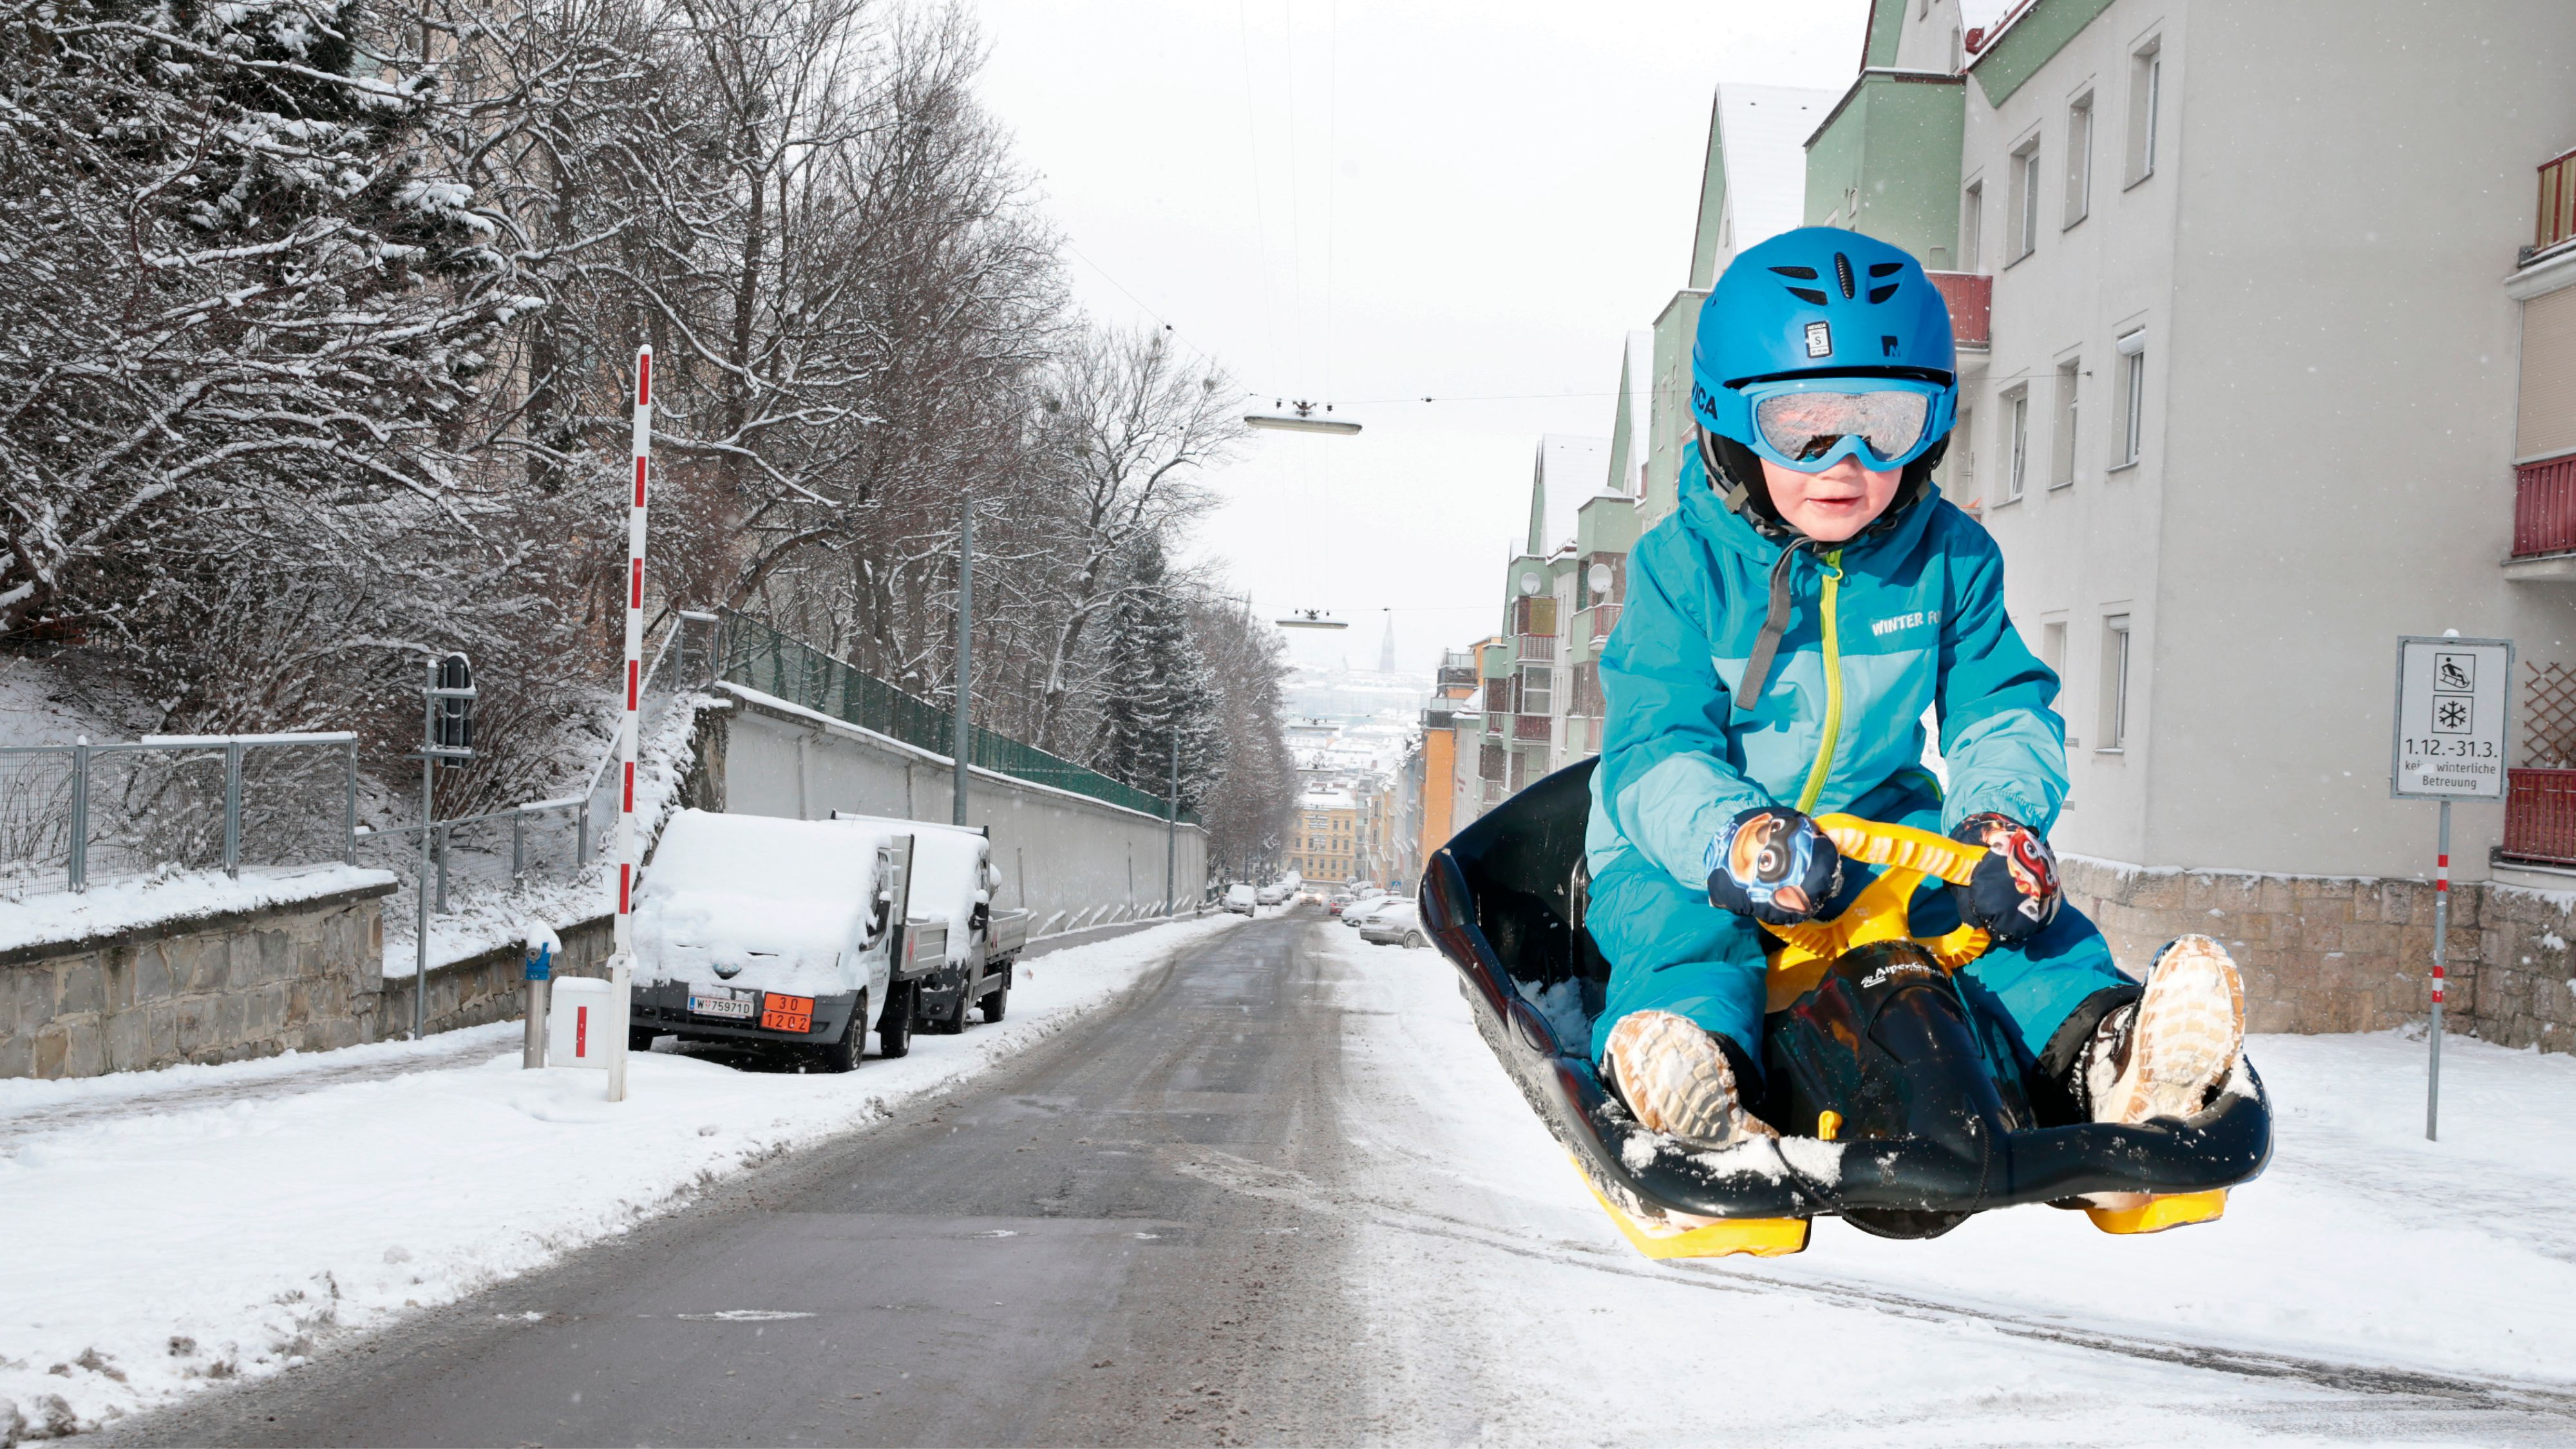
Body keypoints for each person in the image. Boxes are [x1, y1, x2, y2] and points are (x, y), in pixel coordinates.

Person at [1585, 227, 2244, 1153]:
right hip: (1686, 850)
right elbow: (1655, 747)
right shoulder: (1682, 566)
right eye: (1803, 425)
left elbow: (2000, 707)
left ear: (1929, 429)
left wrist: (2000, 824)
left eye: (1884, 423)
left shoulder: (1947, 556)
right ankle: (1695, 1070)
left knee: (2002, 918)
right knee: (1689, 940)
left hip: (1869, 831)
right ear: (1728, 423)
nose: (1846, 460)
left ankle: (2113, 1053)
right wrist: (1734, 837)